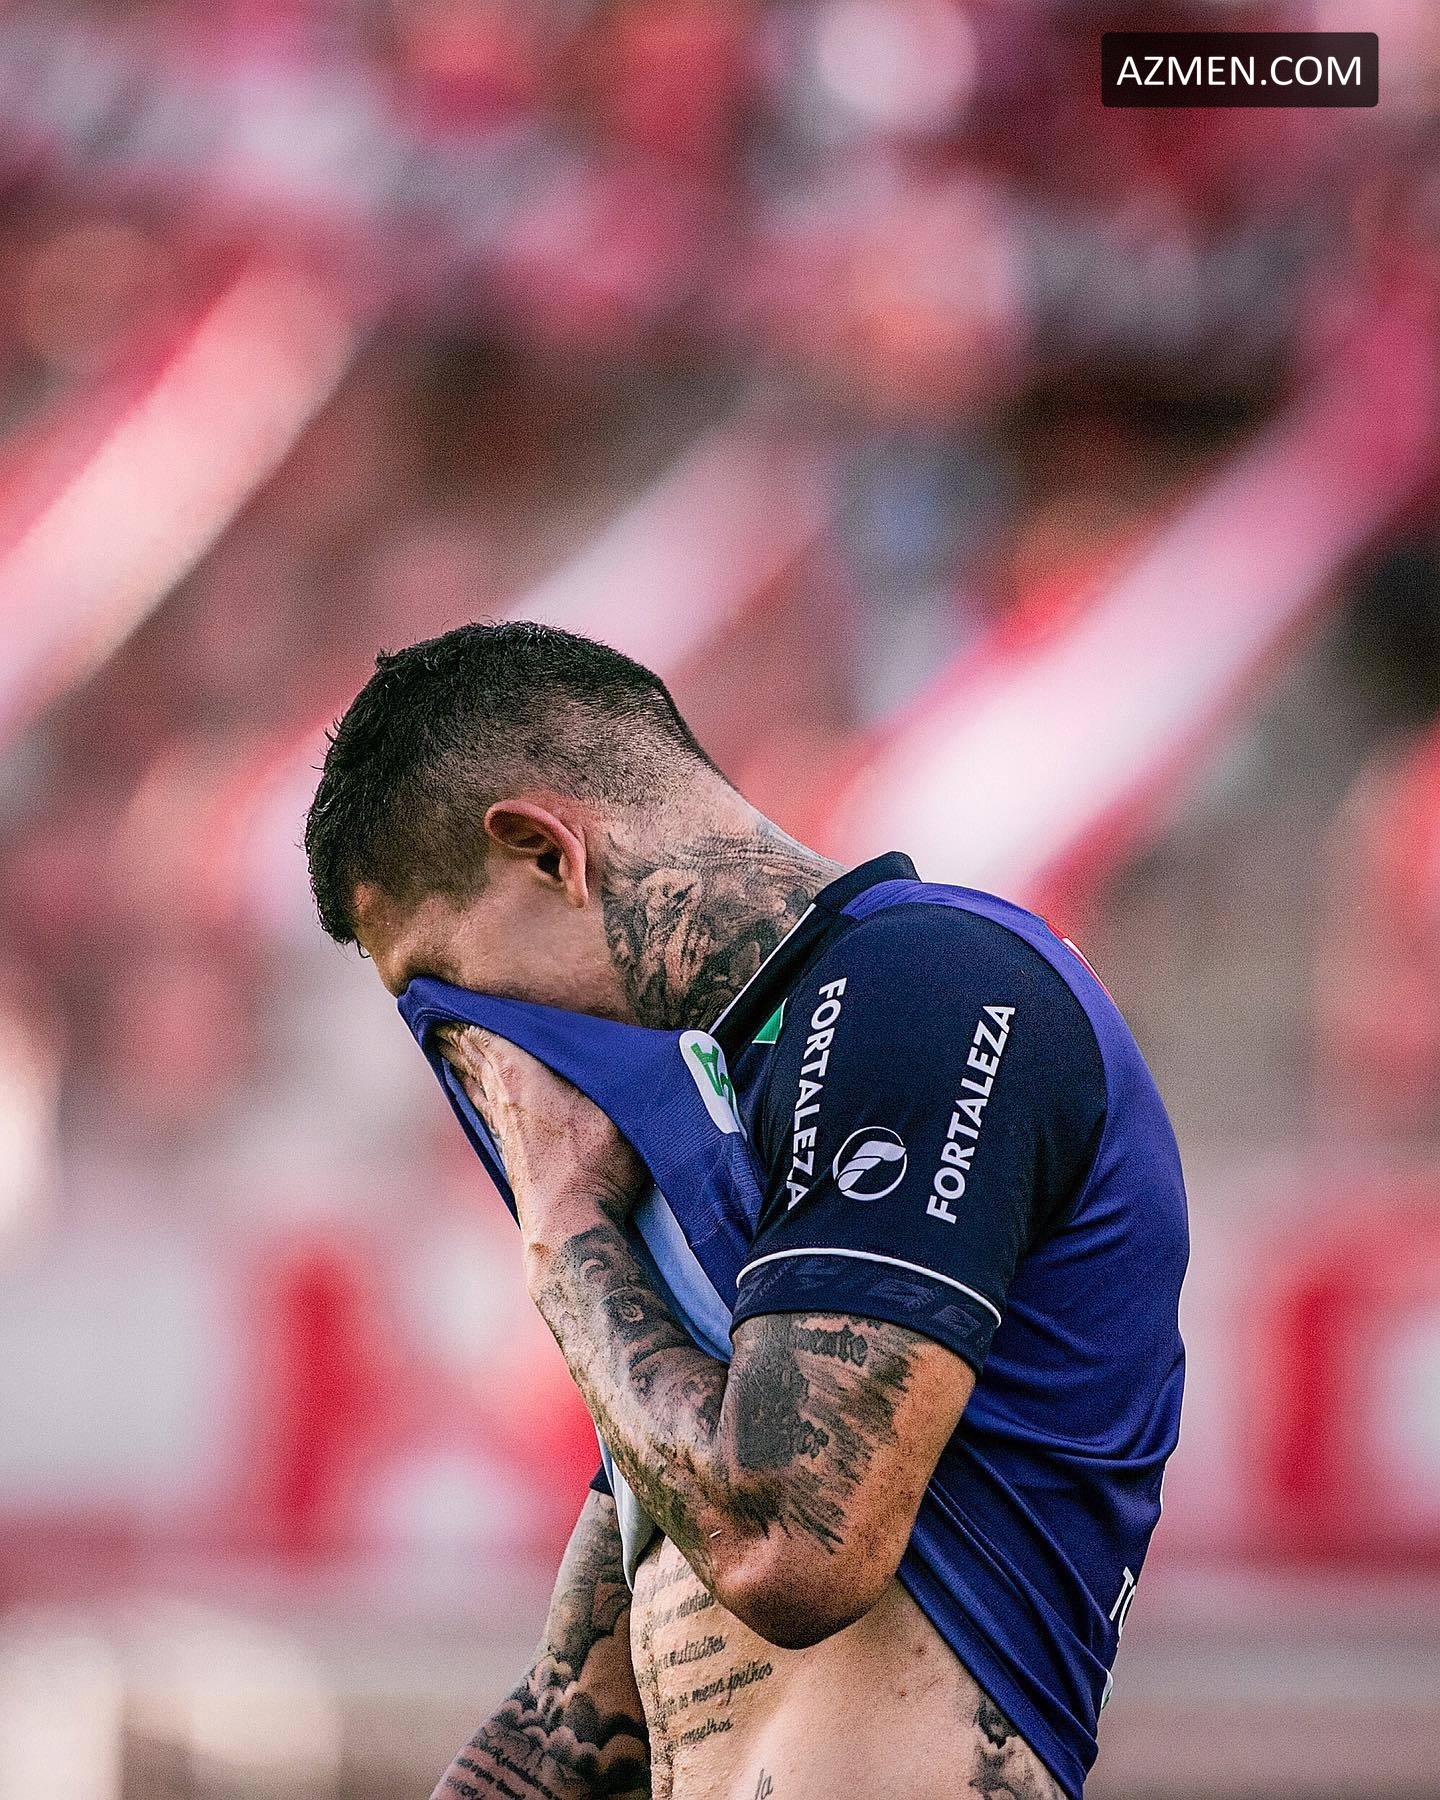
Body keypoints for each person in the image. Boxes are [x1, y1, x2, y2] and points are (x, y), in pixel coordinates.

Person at [303, 620, 1188, 1800]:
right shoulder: (704, 1162)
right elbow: (571, 1727)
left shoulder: (928, 984)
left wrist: (562, 1232)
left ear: (545, 853)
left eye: (444, 991)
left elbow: (793, 1546)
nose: (467, 1057)